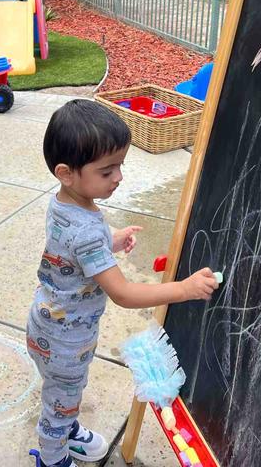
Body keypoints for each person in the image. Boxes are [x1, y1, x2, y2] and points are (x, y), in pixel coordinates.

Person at [27, 99, 219, 467]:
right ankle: (53, 457)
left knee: (63, 394)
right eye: (107, 171)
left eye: (121, 166)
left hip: (49, 326)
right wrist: (184, 289)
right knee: (59, 404)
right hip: (66, 340)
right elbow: (123, 292)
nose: (118, 177)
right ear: (66, 172)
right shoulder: (84, 230)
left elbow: (69, 249)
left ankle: (67, 430)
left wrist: (109, 240)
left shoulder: (66, 204)